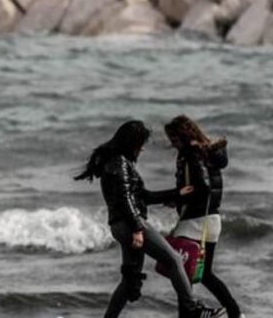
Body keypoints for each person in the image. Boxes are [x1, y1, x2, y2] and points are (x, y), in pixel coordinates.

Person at [75, 120, 222, 318]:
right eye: (140, 144)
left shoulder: (117, 163)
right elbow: (127, 199)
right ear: (132, 142)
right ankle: (193, 309)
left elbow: (143, 196)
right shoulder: (120, 164)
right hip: (130, 224)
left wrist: (176, 193)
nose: (142, 149)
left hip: (120, 225)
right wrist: (137, 228)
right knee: (174, 260)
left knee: (130, 281)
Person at [165, 116, 243, 318]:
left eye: (173, 138)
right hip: (212, 219)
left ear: (182, 135)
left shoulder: (190, 152)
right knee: (204, 273)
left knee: (182, 275)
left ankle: (188, 316)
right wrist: (180, 197)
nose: (171, 143)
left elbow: (200, 187)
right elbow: (204, 187)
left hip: (195, 220)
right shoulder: (207, 151)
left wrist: (177, 197)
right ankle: (235, 313)